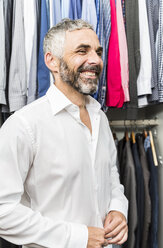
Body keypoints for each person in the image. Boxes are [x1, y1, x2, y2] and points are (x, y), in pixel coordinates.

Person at [0, 19, 128, 248]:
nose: (95, 60)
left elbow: (110, 178)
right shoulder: (24, 125)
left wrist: (118, 209)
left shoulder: (101, 117)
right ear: (52, 61)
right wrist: (78, 237)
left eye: (98, 52)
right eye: (82, 51)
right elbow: (3, 211)